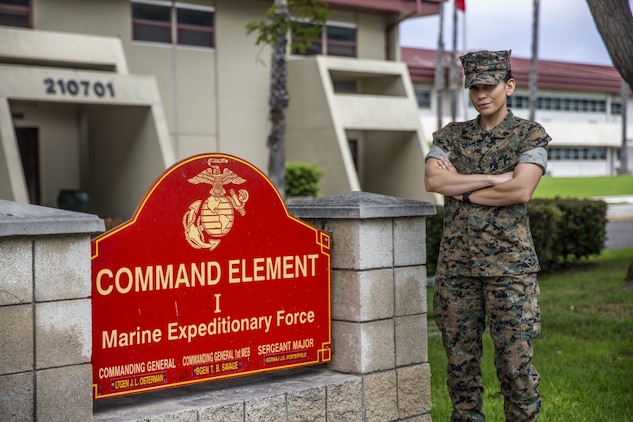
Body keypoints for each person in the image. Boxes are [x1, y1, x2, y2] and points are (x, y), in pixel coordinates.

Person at [424, 50, 551, 421]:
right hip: (457, 270)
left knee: (516, 368)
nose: (481, 94)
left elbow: (520, 190)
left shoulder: (529, 134)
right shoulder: (451, 135)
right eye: (474, 88)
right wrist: (495, 178)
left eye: (489, 86)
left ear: (508, 86)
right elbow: (434, 181)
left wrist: (462, 190)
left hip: (510, 269)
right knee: (460, 369)